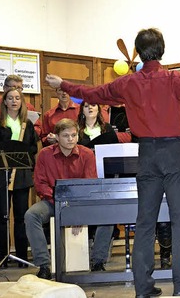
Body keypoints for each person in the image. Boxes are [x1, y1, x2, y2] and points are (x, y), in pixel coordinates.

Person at [46, 28, 180, 297]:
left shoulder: (128, 83)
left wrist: (63, 85)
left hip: (147, 155)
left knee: (144, 223)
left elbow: (93, 93)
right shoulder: (175, 79)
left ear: (138, 52)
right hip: (175, 153)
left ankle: (143, 289)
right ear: (162, 50)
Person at [25, 119, 114, 279]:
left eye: (74, 135)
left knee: (108, 216)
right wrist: (61, 204)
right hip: (53, 202)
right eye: (66, 136)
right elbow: (40, 184)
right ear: (57, 137)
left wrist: (76, 212)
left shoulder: (87, 154)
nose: (71, 139)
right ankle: (44, 265)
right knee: (31, 215)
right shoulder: (45, 154)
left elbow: (88, 187)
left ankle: (98, 261)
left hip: (80, 204)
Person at [0, 75, 41, 250]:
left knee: (21, 216)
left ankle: (21, 255)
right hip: (0, 175)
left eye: (18, 98)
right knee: (1, 216)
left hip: (21, 175)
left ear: (22, 102)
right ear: (4, 101)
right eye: (10, 98)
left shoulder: (27, 124)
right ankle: (2, 255)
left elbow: (33, 148)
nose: (14, 101)